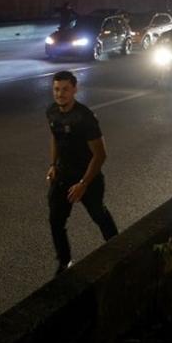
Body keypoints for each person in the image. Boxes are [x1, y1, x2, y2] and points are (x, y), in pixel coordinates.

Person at [46, 70, 118, 276]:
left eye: (65, 89)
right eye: (56, 89)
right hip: (62, 176)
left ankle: (118, 250)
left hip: (88, 178)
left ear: (75, 90)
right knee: (56, 221)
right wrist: (52, 164)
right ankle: (65, 261)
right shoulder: (51, 112)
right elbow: (55, 138)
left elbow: (100, 155)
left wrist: (83, 184)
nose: (60, 94)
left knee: (98, 214)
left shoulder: (84, 118)